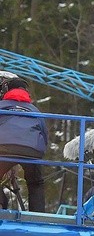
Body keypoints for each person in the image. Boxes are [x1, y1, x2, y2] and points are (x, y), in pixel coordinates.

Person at [0, 78, 48, 212]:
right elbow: (44, 132)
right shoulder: (34, 110)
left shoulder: (2, 105)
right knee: (36, 182)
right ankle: (38, 218)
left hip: (4, 147)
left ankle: (2, 206)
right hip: (31, 149)